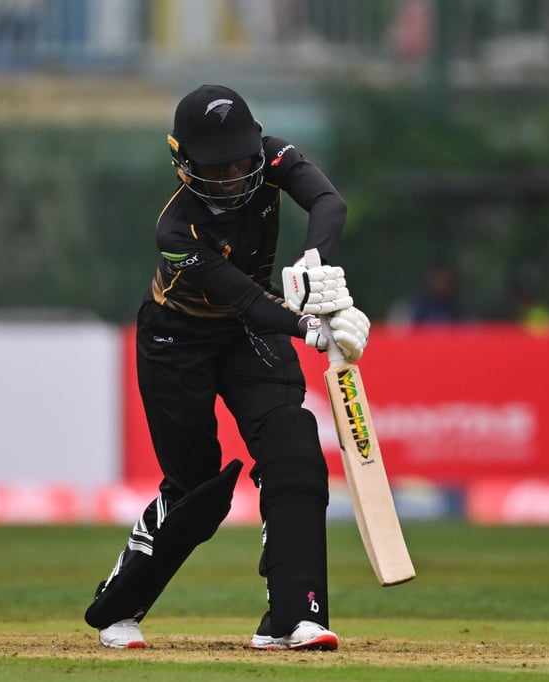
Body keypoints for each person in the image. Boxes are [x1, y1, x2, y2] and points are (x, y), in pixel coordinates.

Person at [83, 84, 370, 652]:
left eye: (242, 161)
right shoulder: (175, 231)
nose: (236, 176)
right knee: (197, 492)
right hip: (176, 340)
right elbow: (246, 298)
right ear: (183, 162)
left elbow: (329, 203)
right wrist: (309, 327)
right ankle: (117, 607)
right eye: (219, 167)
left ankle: (293, 617)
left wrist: (314, 262)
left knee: (293, 447)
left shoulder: (274, 158)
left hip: (246, 336)